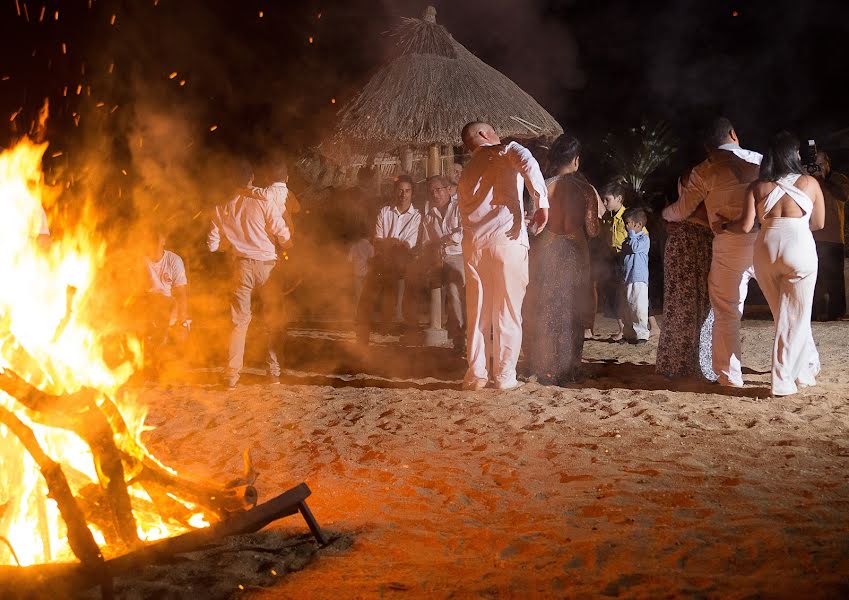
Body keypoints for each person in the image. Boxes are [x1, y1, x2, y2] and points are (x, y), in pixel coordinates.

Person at [716, 131, 824, 396]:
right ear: (792, 155)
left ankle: (804, 370)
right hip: (798, 246)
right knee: (796, 317)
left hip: (765, 249)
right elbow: (819, 223)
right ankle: (783, 379)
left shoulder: (758, 187)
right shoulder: (810, 183)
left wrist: (723, 225)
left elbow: (744, 226)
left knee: (784, 315)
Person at [662, 116, 761, 388]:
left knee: (726, 312)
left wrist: (665, 213)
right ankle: (796, 372)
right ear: (733, 133)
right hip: (766, 239)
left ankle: (730, 377)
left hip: (728, 244)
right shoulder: (760, 160)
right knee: (787, 308)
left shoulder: (704, 171)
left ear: (707, 147)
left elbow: (682, 210)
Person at [457, 121, 549, 391]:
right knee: (508, 312)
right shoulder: (506, 149)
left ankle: (476, 375)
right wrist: (541, 202)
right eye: (493, 130)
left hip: (474, 247)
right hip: (507, 242)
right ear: (485, 135)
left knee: (478, 314)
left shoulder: (466, 173)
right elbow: (529, 163)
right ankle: (505, 377)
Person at [207, 161, 291, 388]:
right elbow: (281, 232)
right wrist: (289, 246)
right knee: (272, 320)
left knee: (239, 323)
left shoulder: (220, 208)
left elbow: (212, 245)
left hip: (240, 268)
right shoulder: (262, 202)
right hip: (267, 267)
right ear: (252, 178)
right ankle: (273, 373)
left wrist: (229, 245)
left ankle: (232, 376)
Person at [525, 133, 599, 384]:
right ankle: (569, 367)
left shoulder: (544, 186)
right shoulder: (586, 190)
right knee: (573, 309)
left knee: (547, 307)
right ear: (576, 160)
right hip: (576, 253)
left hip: (547, 252)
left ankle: (545, 366)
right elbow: (593, 230)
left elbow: (535, 226)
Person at [656, 171, 717, 380]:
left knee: (682, 304)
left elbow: (670, 212)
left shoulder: (689, 177)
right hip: (694, 243)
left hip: (687, 243)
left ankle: (677, 362)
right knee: (693, 304)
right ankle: (691, 363)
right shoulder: (701, 177)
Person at [356, 175, 422, 344]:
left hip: (402, 264)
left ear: (412, 193)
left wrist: (390, 243)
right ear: (394, 192)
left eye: (407, 191)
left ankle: (409, 335)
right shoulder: (384, 212)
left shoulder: (416, 216)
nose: (403, 194)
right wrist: (392, 243)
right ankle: (361, 338)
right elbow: (377, 240)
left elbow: (407, 245)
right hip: (383, 261)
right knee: (366, 298)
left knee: (407, 291)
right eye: (400, 190)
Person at [420, 175, 465, 351]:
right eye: (431, 191)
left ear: (448, 190)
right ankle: (435, 328)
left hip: (459, 255)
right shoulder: (429, 215)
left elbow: (462, 232)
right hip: (437, 257)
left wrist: (443, 242)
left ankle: (460, 338)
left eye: (438, 189)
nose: (435, 194)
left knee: (454, 290)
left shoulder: (459, 207)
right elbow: (425, 242)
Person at [141, 229, 190, 367]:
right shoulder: (141, 261)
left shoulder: (174, 260)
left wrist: (183, 323)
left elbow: (181, 294)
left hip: (169, 306)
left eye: (158, 238)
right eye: (152, 238)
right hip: (148, 305)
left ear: (164, 240)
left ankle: (164, 356)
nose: (155, 242)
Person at [811, 151, 848, 320]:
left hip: (833, 238)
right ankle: (814, 314)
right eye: (815, 164)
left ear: (827, 163)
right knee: (813, 279)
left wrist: (824, 179)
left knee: (835, 279)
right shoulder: (810, 182)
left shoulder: (838, 179)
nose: (818, 167)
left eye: (820, 164)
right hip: (812, 237)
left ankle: (836, 314)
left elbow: (843, 195)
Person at [620, 207, 650, 344]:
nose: (626, 226)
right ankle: (629, 334)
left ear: (638, 225)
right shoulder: (627, 240)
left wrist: (632, 235)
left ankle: (642, 334)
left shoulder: (644, 240)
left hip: (639, 279)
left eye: (628, 223)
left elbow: (635, 248)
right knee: (628, 307)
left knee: (639, 308)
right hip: (628, 278)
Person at [348, 231, 374, 320]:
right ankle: (365, 315)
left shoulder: (355, 246)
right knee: (366, 295)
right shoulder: (370, 246)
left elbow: (349, 259)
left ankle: (356, 314)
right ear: (368, 236)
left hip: (356, 273)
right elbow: (372, 261)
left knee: (358, 295)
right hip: (367, 274)